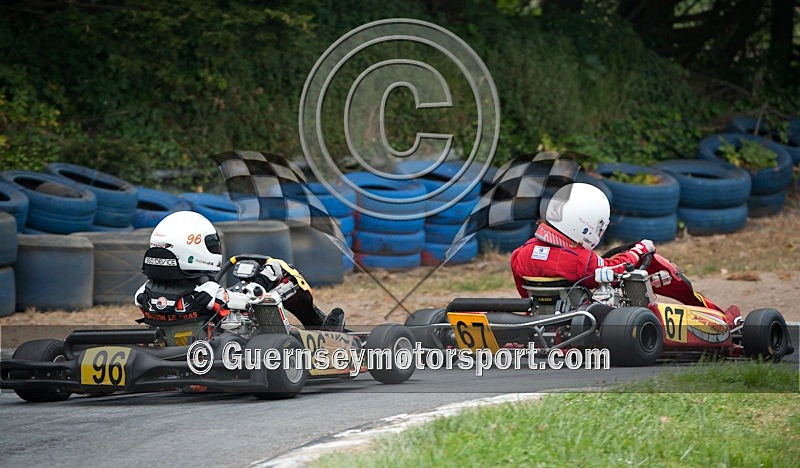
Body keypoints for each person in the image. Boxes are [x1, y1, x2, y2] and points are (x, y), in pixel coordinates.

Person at [135, 211, 344, 332]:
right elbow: (243, 302)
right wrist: (261, 283)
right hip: (225, 339)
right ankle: (321, 331)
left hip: (178, 336)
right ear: (193, 249)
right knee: (279, 271)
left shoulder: (144, 292)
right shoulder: (206, 292)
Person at [510, 183, 655, 298]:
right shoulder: (580, 260)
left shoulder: (520, 253)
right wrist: (637, 251)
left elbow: (525, 296)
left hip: (537, 319)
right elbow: (615, 271)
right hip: (575, 323)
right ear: (585, 222)